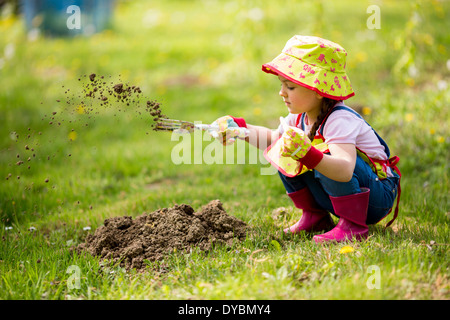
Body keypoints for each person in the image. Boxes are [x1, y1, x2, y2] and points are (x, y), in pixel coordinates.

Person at [212, 35, 401, 243]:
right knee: (283, 145)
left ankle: (353, 225)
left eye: (290, 87)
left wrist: (308, 155)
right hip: (347, 192)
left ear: (318, 90)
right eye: (281, 85)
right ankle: (315, 216)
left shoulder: (339, 119)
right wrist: (241, 129)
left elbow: (345, 169)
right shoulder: (300, 116)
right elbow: (273, 138)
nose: (281, 93)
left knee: (321, 151)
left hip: (374, 197)